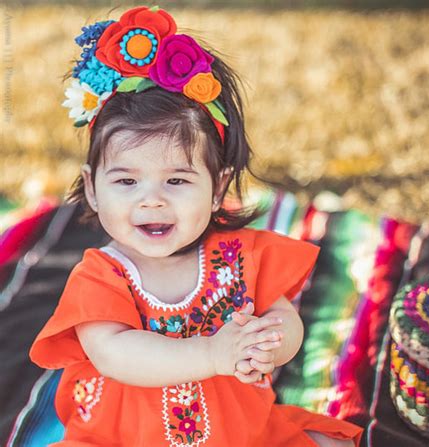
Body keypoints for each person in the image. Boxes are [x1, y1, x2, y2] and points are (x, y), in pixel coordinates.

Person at [30, 5, 363, 446]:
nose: (152, 199)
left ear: (217, 187)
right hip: (123, 438)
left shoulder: (239, 256)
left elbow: (283, 318)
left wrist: (267, 345)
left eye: (177, 180)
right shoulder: (101, 275)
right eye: (126, 181)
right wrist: (211, 353)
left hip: (237, 432)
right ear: (92, 189)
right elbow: (115, 353)